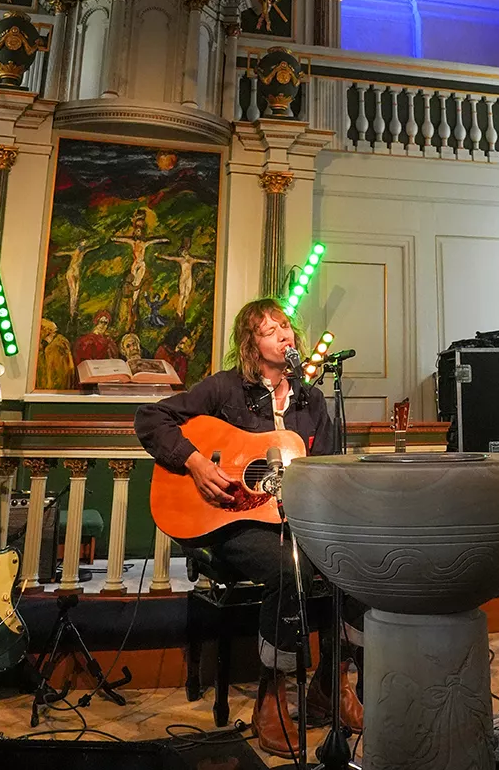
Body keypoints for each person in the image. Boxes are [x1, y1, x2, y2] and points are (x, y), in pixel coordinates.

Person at [135, 298, 363, 757]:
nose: (284, 335)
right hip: (229, 523)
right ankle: (271, 696)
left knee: (356, 561)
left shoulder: (312, 400)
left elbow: (326, 468)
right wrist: (196, 462)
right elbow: (151, 418)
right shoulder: (225, 389)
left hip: (293, 520)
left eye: (286, 326)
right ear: (250, 343)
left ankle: (332, 683)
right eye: (269, 330)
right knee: (288, 568)